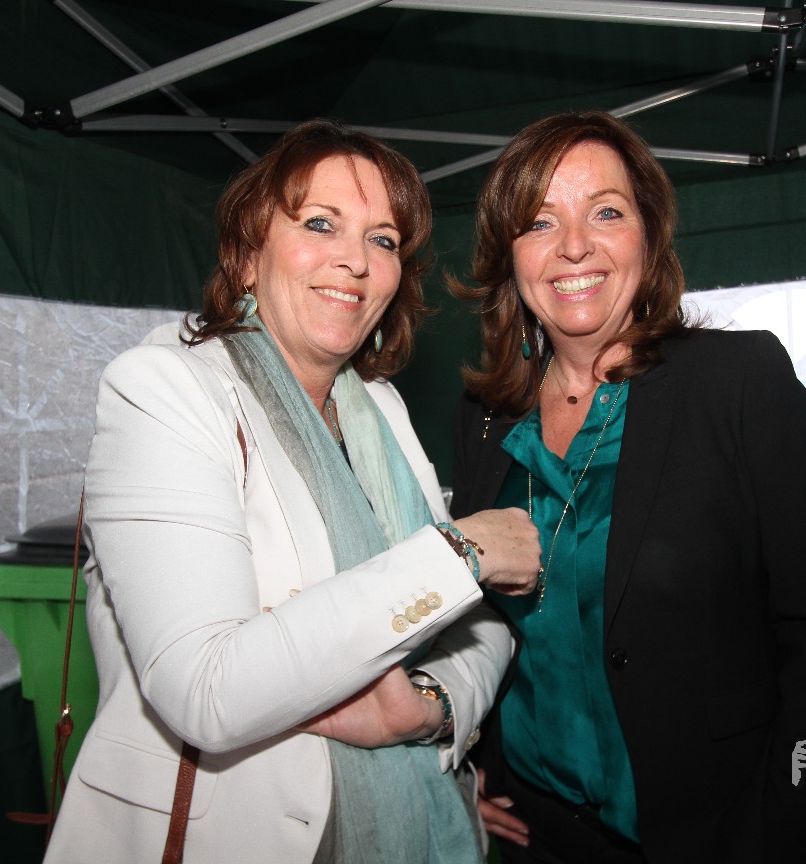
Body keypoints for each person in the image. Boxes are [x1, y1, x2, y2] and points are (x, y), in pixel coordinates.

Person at [45, 119, 542, 864]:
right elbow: (209, 691)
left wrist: (427, 711)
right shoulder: (164, 391)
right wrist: (460, 551)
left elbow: (481, 625)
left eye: (382, 239)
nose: (355, 260)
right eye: (320, 224)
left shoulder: (380, 411)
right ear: (247, 255)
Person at [448, 110, 806, 864]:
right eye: (539, 222)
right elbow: (472, 622)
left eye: (605, 212)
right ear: (508, 255)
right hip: (533, 834)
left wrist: (799, 823)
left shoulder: (740, 384)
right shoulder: (485, 418)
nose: (574, 245)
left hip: (714, 837)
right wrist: (467, 769)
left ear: (648, 235)